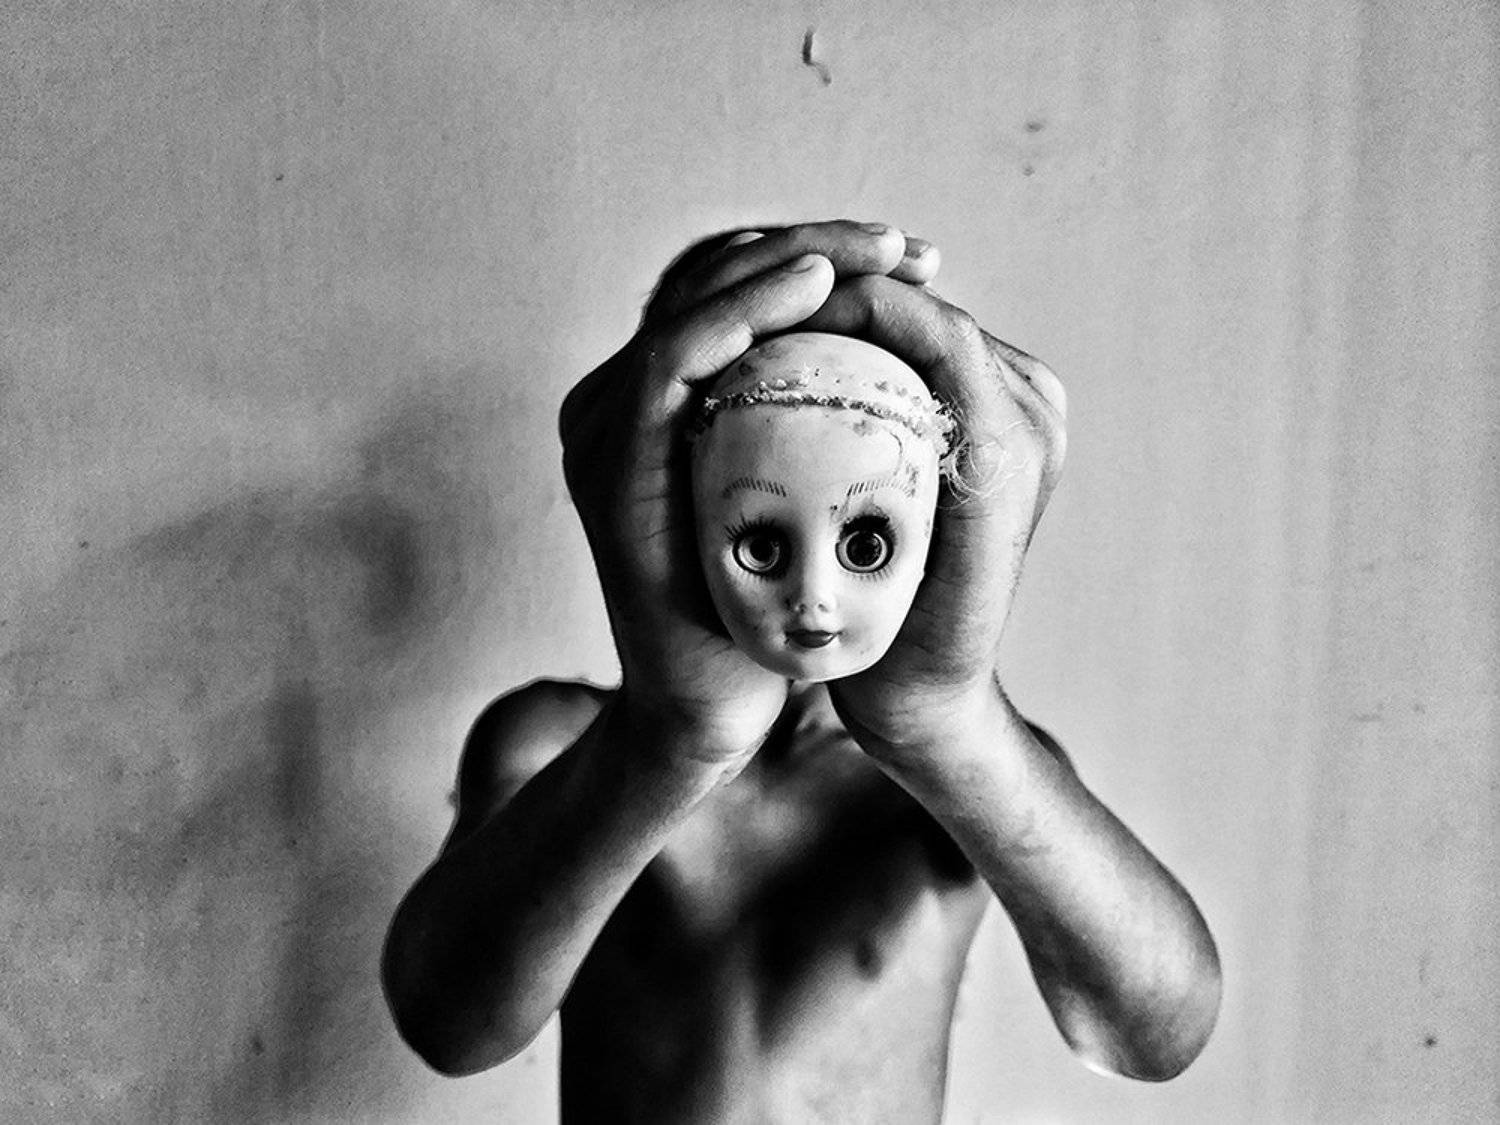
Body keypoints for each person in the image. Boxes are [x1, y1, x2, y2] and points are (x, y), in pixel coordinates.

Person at [381, 220, 1222, 1123]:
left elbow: (1155, 1032)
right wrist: (676, 737)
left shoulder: (949, 776)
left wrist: (947, 723)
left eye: (862, 538)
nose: (814, 595)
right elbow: (447, 1023)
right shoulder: (559, 747)